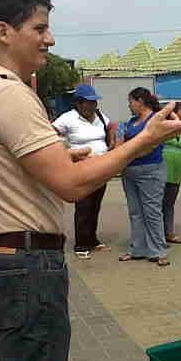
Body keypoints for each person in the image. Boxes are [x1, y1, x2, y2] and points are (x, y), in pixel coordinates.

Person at [0, 0, 181, 361]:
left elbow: (4, 164)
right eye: (41, 27)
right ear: (4, 31)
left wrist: (56, 157)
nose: (50, 38)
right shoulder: (11, 95)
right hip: (26, 268)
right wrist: (143, 141)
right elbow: (70, 186)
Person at [52, 84, 112, 259]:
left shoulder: (100, 116)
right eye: (89, 102)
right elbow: (50, 133)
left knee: (95, 205)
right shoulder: (68, 118)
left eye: (94, 102)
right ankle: (81, 245)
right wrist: (67, 151)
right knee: (84, 207)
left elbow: (111, 127)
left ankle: (92, 239)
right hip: (82, 170)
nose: (93, 106)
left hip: (102, 169)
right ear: (79, 103)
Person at [119, 87, 170, 266]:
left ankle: (159, 251)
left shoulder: (154, 120)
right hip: (130, 172)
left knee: (152, 212)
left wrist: (127, 154)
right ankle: (137, 249)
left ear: (140, 101)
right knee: (135, 212)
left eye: (131, 102)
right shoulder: (132, 121)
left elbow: (151, 146)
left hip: (150, 171)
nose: (129, 106)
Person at [163, 103, 181, 245]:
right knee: (159, 204)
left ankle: (169, 232)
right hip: (163, 170)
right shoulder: (165, 126)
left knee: (169, 203)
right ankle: (160, 235)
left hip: (176, 172)